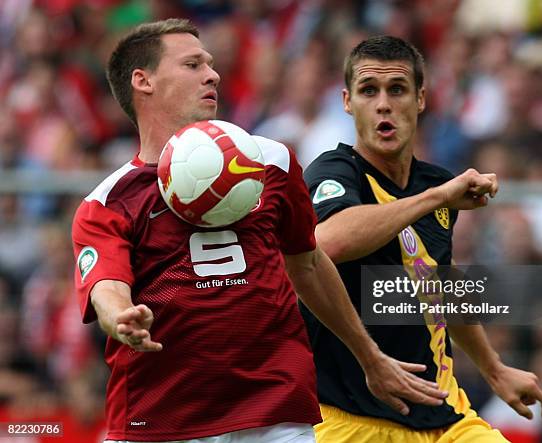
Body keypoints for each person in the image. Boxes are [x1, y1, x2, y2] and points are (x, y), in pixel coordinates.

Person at [71, 20, 454, 443]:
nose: (212, 74)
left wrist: (370, 357)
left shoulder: (270, 161)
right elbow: (106, 284)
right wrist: (121, 315)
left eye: (211, 64)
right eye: (193, 64)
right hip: (162, 418)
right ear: (143, 81)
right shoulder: (107, 202)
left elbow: (308, 262)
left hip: (275, 413)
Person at [301, 35, 542, 443]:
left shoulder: (433, 184)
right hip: (350, 420)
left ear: (420, 100)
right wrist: (436, 197)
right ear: (347, 102)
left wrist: (493, 368)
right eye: (369, 90)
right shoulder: (332, 173)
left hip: (446, 416)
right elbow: (329, 242)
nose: (384, 103)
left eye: (397, 89)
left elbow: (439, 283)